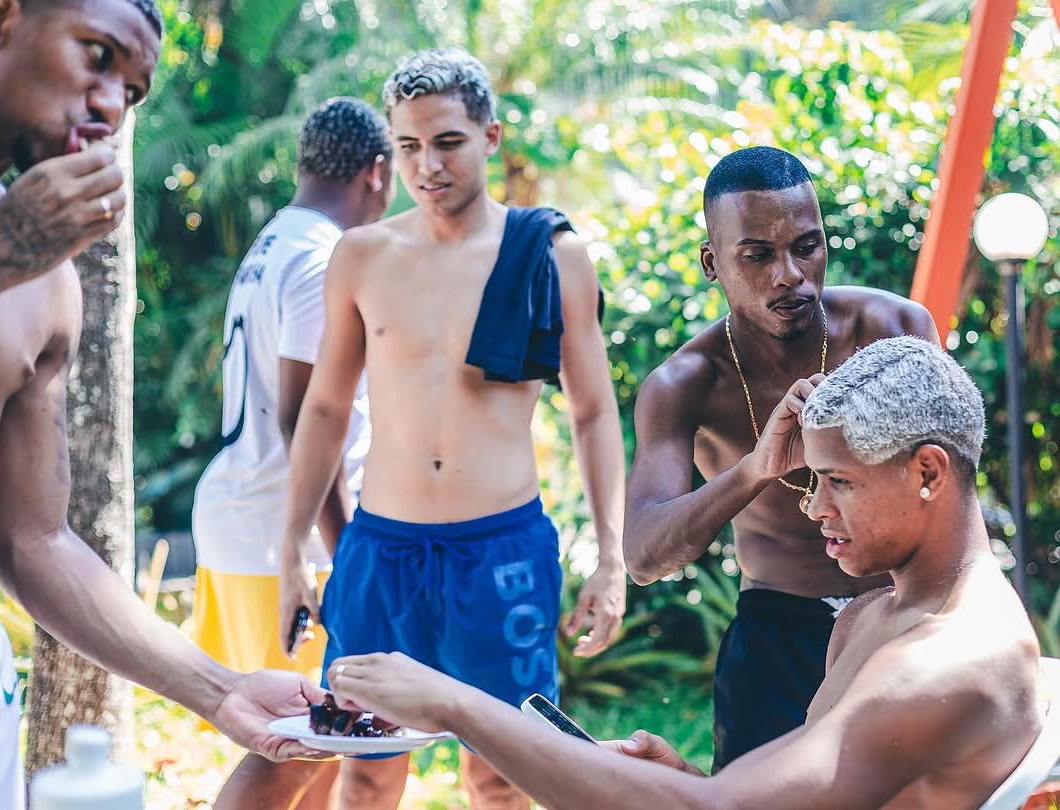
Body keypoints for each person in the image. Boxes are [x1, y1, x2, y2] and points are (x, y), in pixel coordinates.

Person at [324, 336, 1047, 809]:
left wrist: (456, 705)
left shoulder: (948, 663)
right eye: (813, 478)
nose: (814, 506)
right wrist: (683, 781)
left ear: (928, 473)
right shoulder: (869, 618)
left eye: (839, 481)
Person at [0, 2, 327, 807]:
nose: (110, 105)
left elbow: (33, 540)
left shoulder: (45, 276)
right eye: (96, 56)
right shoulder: (18, 249)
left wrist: (221, 689)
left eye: (132, 93)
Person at [279, 48, 627, 809]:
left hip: (501, 550)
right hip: (382, 550)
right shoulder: (361, 255)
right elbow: (325, 410)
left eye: (447, 143)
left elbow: (593, 410)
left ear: (490, 137)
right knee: (367, 765)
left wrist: (612, 559)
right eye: (407, 146)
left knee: (504, 773)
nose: (427, 166)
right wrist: (293, 549)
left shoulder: (550, 256)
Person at [622, 145, 940, 769]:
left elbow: (950, 492)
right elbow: (644, 556)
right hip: (777, 632)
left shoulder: (893, 329)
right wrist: (755, 469)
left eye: (807, 246)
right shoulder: (685, 383)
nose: (790, 274)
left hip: (899, 609)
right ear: (712, 263)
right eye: (758, 255)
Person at [191, 97, 393, 810]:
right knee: (306, 746)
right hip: (288, 536)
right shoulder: (320, 256)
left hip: (247, 516)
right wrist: (344, 556)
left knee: (310, 749)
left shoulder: (274, 245)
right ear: (377, 172)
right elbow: (308, 419)